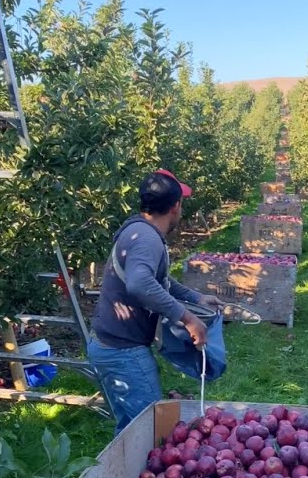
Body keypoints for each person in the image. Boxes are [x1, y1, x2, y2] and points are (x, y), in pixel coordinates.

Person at [87, 169, 223, 435]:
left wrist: (196, 298)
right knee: (152, 432)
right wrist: (188, 318)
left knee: (130, 430)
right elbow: (140, 284)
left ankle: (119, 473)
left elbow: (158, 281)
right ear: (175, 206)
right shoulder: (147, 239)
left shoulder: (138, 230)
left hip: (108, 344)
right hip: (122, 351)